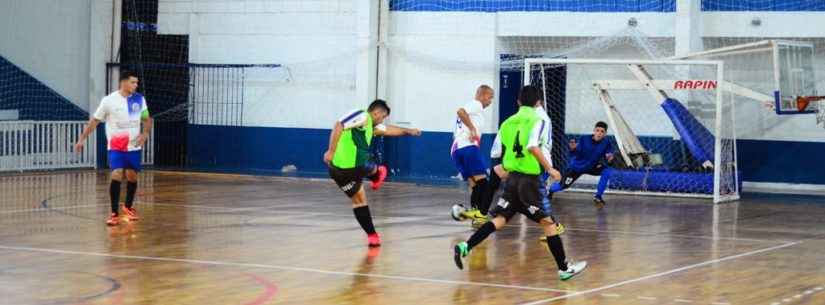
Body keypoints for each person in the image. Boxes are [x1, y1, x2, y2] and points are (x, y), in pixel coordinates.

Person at [452, 85, 586, 281]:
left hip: (512, 178)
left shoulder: (507, 122)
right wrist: (550, 168)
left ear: (518, 102)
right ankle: (564, 268)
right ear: (539, 102)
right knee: (549, 224)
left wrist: (504, 169)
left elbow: (496, 152)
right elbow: (532, 146)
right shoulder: (539, 119)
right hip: (530, 181)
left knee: (499, 220)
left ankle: (466, 246)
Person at [324, 99, 421, 247]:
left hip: (340, 171)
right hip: (348, 167)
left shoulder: (370, 127)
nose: (382, 120)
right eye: (383, 117)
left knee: (359, 201)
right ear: (376, 112)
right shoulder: (363, 116)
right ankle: (377, 175)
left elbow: (388, 130)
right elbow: (339, 124)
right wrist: (331, 151)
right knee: (367, 161)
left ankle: (372, 236)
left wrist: (408, 131)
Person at [75, 71, 152, 226]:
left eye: (137, 83)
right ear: (123, 82)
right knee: (116, 173)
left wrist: (145, 133)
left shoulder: (139, 99)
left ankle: (128, 207)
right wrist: (81, 139)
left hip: (133, 147)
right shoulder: (109, 101)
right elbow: (95, 121)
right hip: (116, 147)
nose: (136, 85)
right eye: (133, 82)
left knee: (132, 176)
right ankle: (114, 213)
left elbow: (146, 118)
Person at [449, 85, 495, 228]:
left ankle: (476, 216)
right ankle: (480, 215)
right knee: (484, 183)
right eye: (490, 97)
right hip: (467, 148)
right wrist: (472, 128)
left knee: (475, 185)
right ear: (483, 95)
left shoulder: (475, 110)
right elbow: (460, 111)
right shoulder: (476, 105)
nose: (490, 101)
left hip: (457, 149)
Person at [548, 121, 614, 210]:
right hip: (577, 168)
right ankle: (550, 190)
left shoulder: (606, 143)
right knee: (562, 186)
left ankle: (598, 196)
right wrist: (573, 149)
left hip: (591, 167)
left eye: (602, 131)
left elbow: (608, 156)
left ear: (605, 134)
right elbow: (575, 153)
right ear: (594, 131)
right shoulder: (584, 139)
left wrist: (609, 159)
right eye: (597, 130)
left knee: (607, 171)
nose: (599, 133)